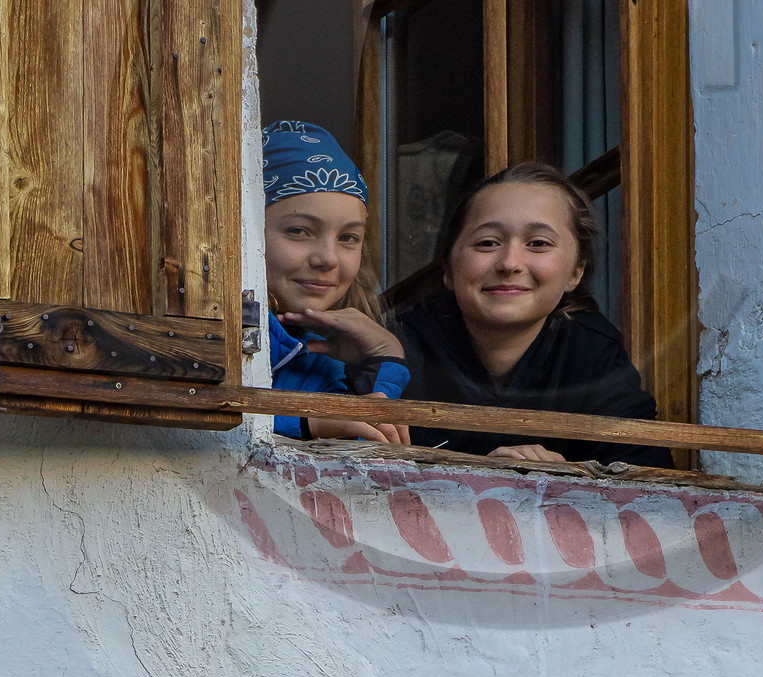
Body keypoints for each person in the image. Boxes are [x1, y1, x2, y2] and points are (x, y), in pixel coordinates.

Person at [390, 161, 670, 470]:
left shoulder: (592, 355)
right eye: (487, 243)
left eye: (538, 244)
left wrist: (568, 477)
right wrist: (482, 471)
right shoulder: (399, 348)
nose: (509, 263)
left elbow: (649, 474)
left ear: (576, 272)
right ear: (448, 269)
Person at [262, 121, 410, 444]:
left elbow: (363, 459)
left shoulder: (319, 361)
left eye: (348, 237)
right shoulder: (206, 334)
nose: (328, 259)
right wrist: (305, 420)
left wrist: (382, 360)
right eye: (299, 231)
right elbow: (189, 414)